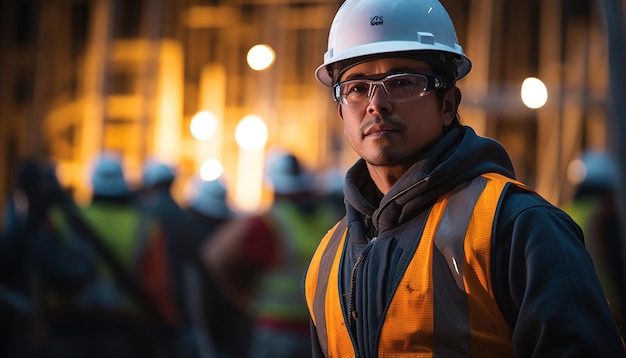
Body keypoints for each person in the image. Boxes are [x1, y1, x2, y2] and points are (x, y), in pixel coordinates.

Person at [302, 0, 626, 357]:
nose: (377, 104)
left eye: (402, 82)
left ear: (448, 105)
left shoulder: (516, 226)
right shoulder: (327, 261)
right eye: (357, 88)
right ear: (340, 110)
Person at [564, 150, 626, 338]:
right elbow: (617, 265)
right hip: (612, 317)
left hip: (573, 317)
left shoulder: (564, 213)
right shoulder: (607, 215)